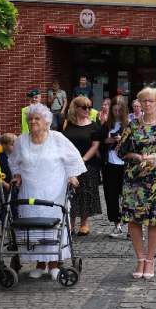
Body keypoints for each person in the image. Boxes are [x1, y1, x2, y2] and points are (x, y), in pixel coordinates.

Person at [9, 104, 85, 279]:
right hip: (29, 191)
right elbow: (14, 162)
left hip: (54, 191)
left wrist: (72, 176)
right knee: (33, 227)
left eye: (37, 119)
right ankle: (39, 263)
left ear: (46, 122)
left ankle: (54, 263)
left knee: (52, 227)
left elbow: (74, 158)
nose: (33, 121)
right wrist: (18, 175)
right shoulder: (21, 140)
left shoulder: (57, 138)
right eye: (30, 119)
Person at [117, 87, 156, 280]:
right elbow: (120, 151)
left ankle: (150, 259)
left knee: (155, 218)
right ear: (140, 104)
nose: (148, 104)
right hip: (134, 180)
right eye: (144, 101)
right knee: (134, 220)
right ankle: (140, 259)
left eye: (151, 101)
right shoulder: (132, 126)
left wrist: (155, 157)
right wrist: (135, 155)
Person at [61, 96, 102, 236]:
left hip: (87, 164)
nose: (87, 110)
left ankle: (84, 223)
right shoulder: (66, 124)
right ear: (75, 108)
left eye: (89, 107)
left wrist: (83, 159)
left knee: (85, 193)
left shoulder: (94, 125)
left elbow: (95, 145)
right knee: (70, 193)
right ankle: (70, 223)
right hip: (68, 165)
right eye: (84, 107)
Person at [100, 96, 129, 238]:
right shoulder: (106, 125)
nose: (117, 113)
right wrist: (106, 141)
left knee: (128, 197)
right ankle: (117, 225)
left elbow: (135, 145)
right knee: (111, 196)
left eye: (119, 110)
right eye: (114, 110)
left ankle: (131, 226)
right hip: (110, 165)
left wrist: (121, 140)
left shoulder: (129, 125)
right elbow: (99, 144)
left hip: (126, 166)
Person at [0, 133, 20, 225]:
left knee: (16, 208)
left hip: (16, 187)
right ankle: (4, 227)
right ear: (4, 145)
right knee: (4, 208)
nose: (15, 147)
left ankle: (17, 226)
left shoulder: (18, 156)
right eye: (12, 144)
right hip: (4, 187)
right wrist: (5, 184)